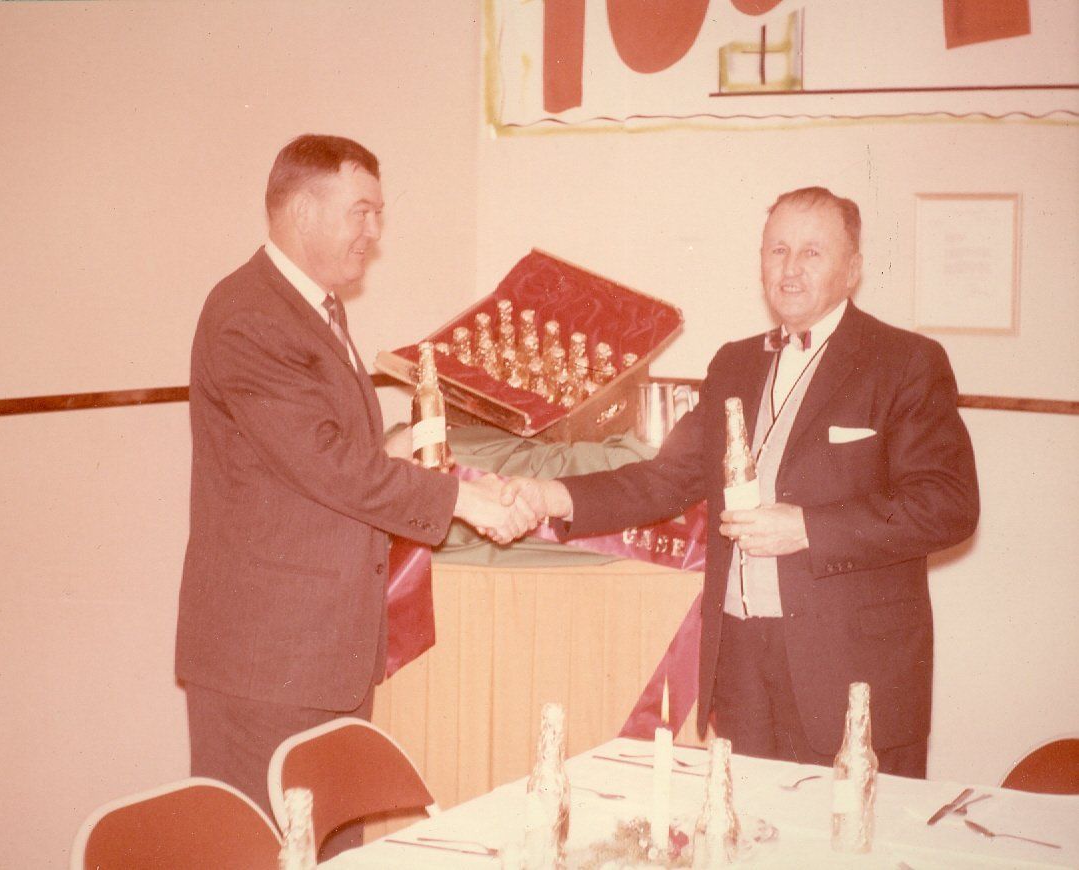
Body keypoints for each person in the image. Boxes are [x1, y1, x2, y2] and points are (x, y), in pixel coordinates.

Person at [507, 187, 979, 777]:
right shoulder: (734, 363)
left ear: (853, 270)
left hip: (852, 673)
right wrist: (555, 495)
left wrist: (807, 528)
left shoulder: (905, 361)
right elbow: (664, 480)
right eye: (777, 250)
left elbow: (948, 506)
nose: (789, 268)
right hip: (742, 670)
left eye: (812, 252)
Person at [175, 134, 535, 851]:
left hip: (318, 654)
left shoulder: (311, 308)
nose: (375, 233)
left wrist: (417, 449)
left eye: (378, 214)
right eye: (361, 212)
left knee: (331, 851)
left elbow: (322, 458)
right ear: (304, 209)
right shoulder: (249, 312)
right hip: (268, 663)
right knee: (265, 854)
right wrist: (461, 500)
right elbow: (324, 463)